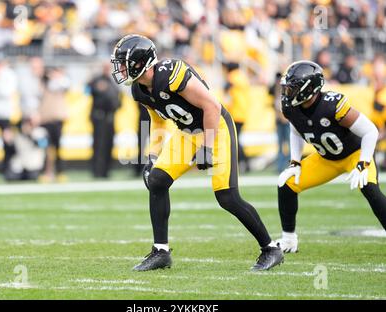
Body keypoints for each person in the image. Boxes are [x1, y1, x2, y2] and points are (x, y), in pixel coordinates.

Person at [111, 34, 284, 271]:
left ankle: (271, 248)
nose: (119, 68)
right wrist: (152, 155)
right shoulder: (139, 90)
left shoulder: (171, 73)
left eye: (123, 62)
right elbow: (158, 122)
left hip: (216, 128)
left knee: (227, 197)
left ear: (140, 62)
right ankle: (160, 251)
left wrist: (208, 147)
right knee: (157, 180)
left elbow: (211, 106)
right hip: (187, 132)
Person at [276, 61, 386, 253]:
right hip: (326, 159)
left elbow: (370, 132)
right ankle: (289, 240)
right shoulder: (291, 107)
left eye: (292, 88)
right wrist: (295, 162)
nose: (287, 93)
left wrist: (363, 163)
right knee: (287, 183)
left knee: (369, 187)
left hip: (355, 154)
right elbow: (295, 130)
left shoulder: (333, 105)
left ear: (308, 88)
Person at [88, 61, 120, 178]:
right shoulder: (97, 81)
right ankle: (97, 171)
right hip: (99, 117)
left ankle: (106, 171)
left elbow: (117, 98)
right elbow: (89, 89)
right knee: (99, 145)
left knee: (109, 145)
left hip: (110, 117)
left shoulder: (112, 81)